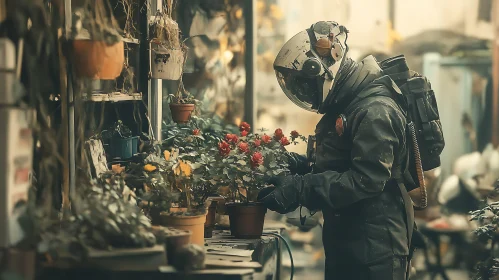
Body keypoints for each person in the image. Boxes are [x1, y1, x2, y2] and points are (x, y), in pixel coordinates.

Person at [259, 21, 414, 279]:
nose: (305, 93)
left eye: (306, 85)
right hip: (352, 243)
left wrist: (301, 188)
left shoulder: (375, 110)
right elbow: (341, 166)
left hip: (376, 253)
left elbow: (366, 181)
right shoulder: (350, 104)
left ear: (324, 71)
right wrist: (295, 165)